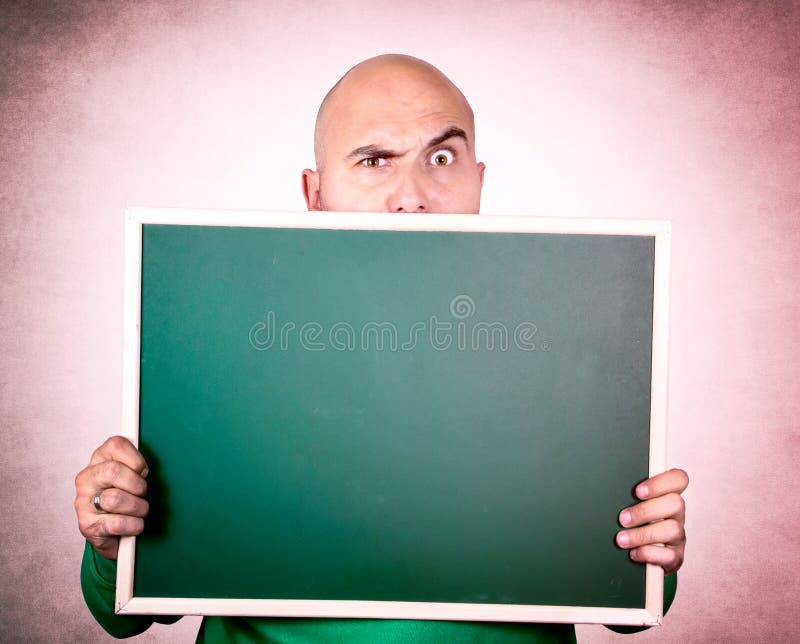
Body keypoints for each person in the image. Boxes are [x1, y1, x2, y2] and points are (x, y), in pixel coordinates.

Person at [75, 54, 689, 643]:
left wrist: (649, 553)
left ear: (478, 180)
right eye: (374, 161)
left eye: (441, 156)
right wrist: (112, 541)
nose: (412, 196)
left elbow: (628, 612)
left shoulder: (577, 350)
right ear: (315, 194)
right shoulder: (220, 346)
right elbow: (124, 616)